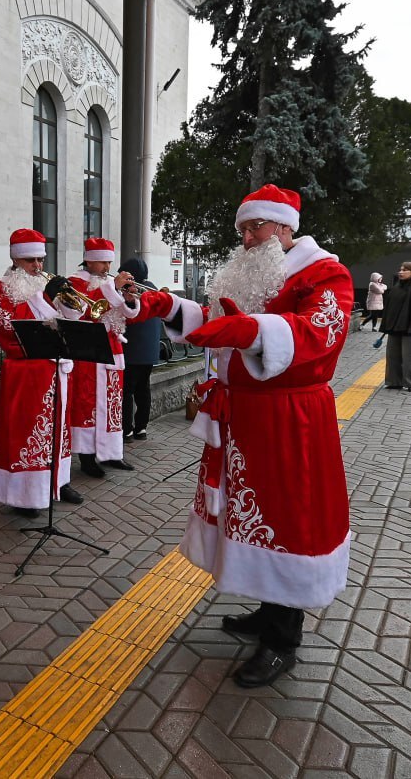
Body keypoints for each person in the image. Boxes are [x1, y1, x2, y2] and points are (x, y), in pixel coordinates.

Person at [136, 184, 352, 688]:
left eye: (255, 228)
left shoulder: (324, 272)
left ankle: (282, 639)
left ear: (283, 227)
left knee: (287, 516)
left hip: (289, 419)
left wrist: (254, 332)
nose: (247, 238)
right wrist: (168, 306)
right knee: (252, 514)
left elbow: (320, 334)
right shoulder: (259, 270)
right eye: (243, 229)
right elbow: (219, 323)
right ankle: (267, 608)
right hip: (245, 417)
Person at [0, 229, 84, 516]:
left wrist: (67, 303)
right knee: (27, 431)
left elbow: (72, 320)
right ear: (15, 259)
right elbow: (9, 324)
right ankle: (25, 493)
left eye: (40, 259)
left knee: (58, 428)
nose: (38, 266)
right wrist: (44, 296)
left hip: (55, 367)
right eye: (31, 260)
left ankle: (58, 480)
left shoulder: (41, 284)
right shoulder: (0, 288)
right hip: (25, 371)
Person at [67, 238, 141, 477]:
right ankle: (87, 457)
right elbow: (80, 312)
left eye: (109, 262)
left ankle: (112, 453)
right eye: (102, 262)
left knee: (111, 406)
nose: (107, 268)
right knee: (88, 404)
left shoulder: (108, 282)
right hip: (89, 351)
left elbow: (123, 314)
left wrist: (130, 300)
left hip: (113, 349)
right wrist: (113, 290)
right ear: (88, 260)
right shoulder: (75, 282)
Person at [118, 256, 160, 441]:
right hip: (149, 352)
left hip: (131, 352)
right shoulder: (154, 291)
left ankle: (126, 429)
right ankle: (141, 428)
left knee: (126, 391)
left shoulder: (129, 293)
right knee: (143, 389)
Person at [380, 262, 411, 391]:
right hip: (394, 328)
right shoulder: (396, 287)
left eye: (405, 270)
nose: (401, 272)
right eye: (400, 269)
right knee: (392, 356)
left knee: (409, 357)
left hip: (410, 330)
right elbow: (389, 309)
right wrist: (386, 326)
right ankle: (394, 381)